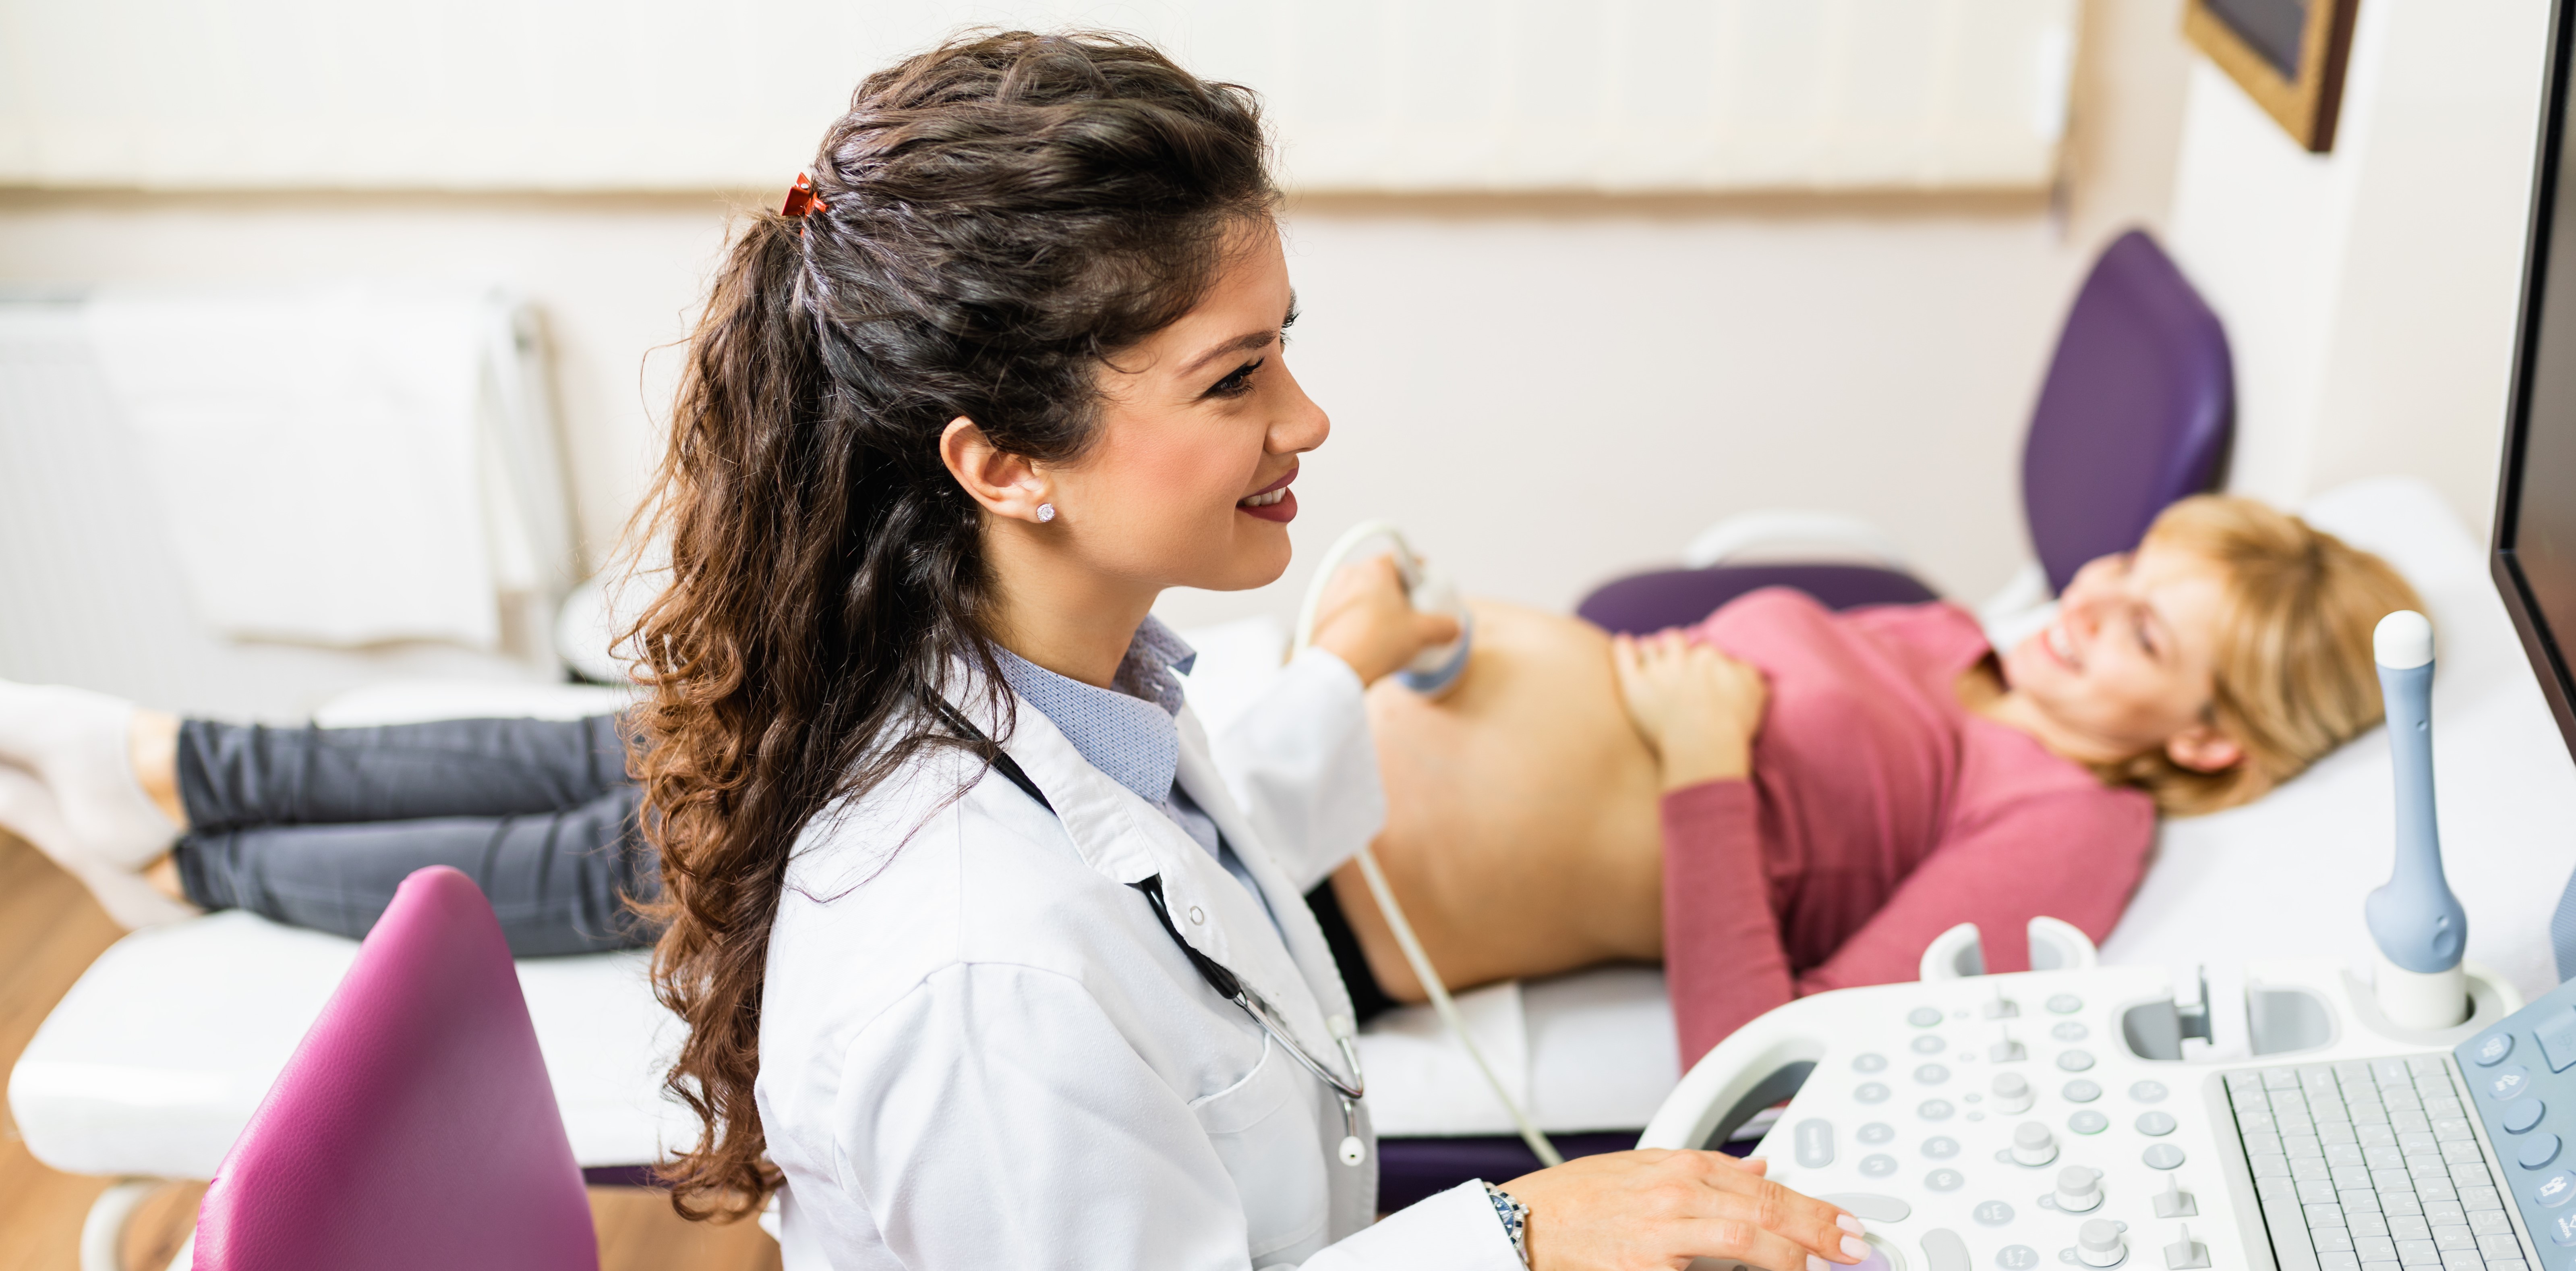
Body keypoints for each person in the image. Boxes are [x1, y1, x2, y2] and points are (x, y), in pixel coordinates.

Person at [0, 31, 1879, 1271]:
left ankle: (176, 786)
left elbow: (1214, 884)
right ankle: (175, 793)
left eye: (1284, 344)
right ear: (998, 462)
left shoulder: (1084, 695)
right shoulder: (980, 973)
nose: (1309, 422)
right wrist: (1525, 1236)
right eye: (1238, 378)